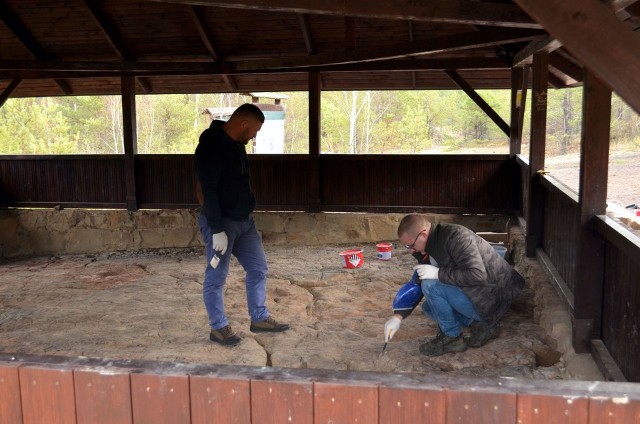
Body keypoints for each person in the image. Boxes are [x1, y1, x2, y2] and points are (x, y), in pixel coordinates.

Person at [195, 103, 289, 346]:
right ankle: (218, 327)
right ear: (243, 123)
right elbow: (207, 190)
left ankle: (259, 318)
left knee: (258, 269)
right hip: (222, 223)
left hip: (245, 222)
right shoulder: (211, 147)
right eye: (255, 130)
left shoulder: (237, 144)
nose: (255, 135)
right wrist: (216, 229)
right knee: (216, 277)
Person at [384, 214, 524, 356]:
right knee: (429, 308)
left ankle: (452, 338)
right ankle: (480, 325)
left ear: (424, 234)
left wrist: (438, 274)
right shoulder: (427, 247)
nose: (411, 250)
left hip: (495, 298)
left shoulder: (456, 237)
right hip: (480, 293)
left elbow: (478, 275)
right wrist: (398, 317)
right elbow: (418, 283)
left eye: (410, 245)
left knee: (431, 286)